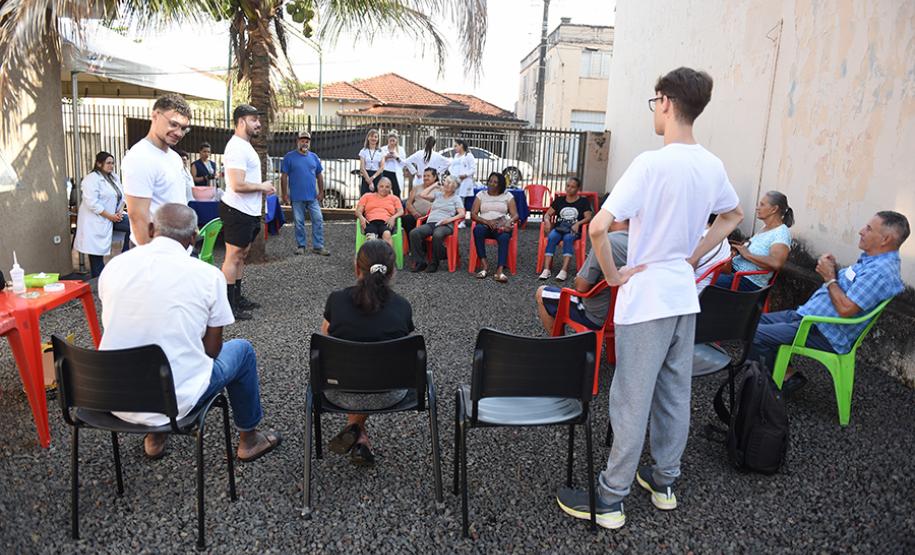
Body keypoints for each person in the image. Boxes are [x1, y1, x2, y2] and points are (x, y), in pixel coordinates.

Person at [556, 67, 743, 529]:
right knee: (675, 394)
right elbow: (733, 215)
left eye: (653, 103)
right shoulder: (712, 164)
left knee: (630, 397)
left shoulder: (650, 163)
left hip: (648, 296)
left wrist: (615, 275)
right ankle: (664, 483)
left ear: (665, 102)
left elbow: (599, 226)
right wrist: (693, 254)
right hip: (682, 294)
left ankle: (611, 498)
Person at [99, 203, 281, 462]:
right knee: (242, 351)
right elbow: (212, 351)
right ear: (194, 237)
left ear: (151, 229)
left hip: (114, 395)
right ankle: (249, 440)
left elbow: (118, 326)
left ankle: (156, 436)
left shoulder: (115, 267)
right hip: (175, 400)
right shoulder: (208, 276)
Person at [749, 211, 908, 394]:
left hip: (824, 330)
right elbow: (849, 290)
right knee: (750, 322)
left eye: (869, 228)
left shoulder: (879, 272)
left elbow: (846, 309)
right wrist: (832, 270)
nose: (861, 231)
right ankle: (787, 376)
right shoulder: (872, 261)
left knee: (755, 334)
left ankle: (763, 393)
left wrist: (829, 277)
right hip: (810, 318)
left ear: (885, 239)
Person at [321, 240, 414, 465]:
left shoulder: (337, 300)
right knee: (375, 370)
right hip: (390, 393)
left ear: (357, 268)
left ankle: (355, 430)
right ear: (392, 272)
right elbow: (406, 355)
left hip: (338, 391)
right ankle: (359, 435)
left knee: (351, 370)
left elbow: (324, 345)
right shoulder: (402, 306)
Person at [220, 104, 276, 321]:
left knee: (241, 255)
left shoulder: (245, 145)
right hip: (237, 210)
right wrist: (262, 186)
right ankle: (228, 306)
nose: (259, 124)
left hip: (247, 211)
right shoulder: (236, 147)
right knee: (233, 257)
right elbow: (237, 184)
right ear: (241, 121)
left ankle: (237, 297)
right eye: (254, 119)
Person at [122, 93, 192, 246]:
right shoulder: (140, 157)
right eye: (173, 124)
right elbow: (137, 217)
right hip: (155, 249)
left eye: (183, 128)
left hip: (177, 247)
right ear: (155, 116)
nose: (179, 133)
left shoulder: (174, 157)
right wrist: (152, 258)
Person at [535, 221, 629, 333]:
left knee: (541, 292)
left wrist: (578, 278)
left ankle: (559, 346)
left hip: (597, 316)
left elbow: (581, 287)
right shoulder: (646, 244)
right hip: (632, 315)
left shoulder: (606, 242)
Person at [715, 191, 794, 290]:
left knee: (705, 282)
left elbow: (776, 263)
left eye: (762, 205)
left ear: (774, 209)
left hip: (747, 281)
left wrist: (747, 254)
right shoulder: (765, 228)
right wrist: (739, 250)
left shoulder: (782, 233)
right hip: (735, 272)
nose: (757, 208)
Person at [74, 151, 130, 278]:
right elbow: (92, 203)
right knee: (96, 255)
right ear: (99, 163)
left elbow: (122, 196)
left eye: (113, 163)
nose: (111, 166)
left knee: (135, 226)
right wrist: (110, 216)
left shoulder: (113, 178)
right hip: (95, 221)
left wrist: (119, 212)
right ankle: (97, 282)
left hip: (113, 217)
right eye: (108, 163)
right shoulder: (91, 179)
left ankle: (125, 258)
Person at [281, 131, 329, 256]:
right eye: (302, 140)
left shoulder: (314, 157)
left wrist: (321, 192)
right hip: (296, 197)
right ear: (297, 141)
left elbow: (319, 175)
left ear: (309, 143)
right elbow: (284, 177)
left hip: (312, 197)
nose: (304, 143)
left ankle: (318, 246)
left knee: (318, 219)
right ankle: (301, 246)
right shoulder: (289, 157)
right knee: (299, 222)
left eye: (307, 141)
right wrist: (284, 194)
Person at [539, 177, 594, 281]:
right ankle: (546, 269)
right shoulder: (559, 200)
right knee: (551, 237)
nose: (569, 189)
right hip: (560, 228)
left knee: (568, 238)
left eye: (573, 187)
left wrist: (578, 223)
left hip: (573, 229)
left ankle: (564, 270)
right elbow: (547, 214)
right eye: (568, 186)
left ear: (578, 189)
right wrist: (546, 221)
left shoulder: (583, 201)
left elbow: (588, 217)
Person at [408, 175, 465, 273]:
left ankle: (434, 263)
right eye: (445, 182)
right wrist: (434, 185)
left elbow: (462, 214)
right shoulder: (438, 195)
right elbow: (422, 195)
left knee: (437, 235)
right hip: (431, 223)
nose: (445, 184)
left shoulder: (456, 198)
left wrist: (449, 220)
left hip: (445, 225)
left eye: (448, 183)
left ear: (453, 187)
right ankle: (421, 262)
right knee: (414, 233)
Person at [470, 172, 519, 283]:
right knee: (477, 230)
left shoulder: (507, 196)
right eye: (490, 181)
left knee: (504, 238)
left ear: (500, 185)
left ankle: (499, 271)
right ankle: (484, 266)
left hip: (501, 226)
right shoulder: (481, 195)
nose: (491, 184)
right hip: (485, 225)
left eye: (495, 182)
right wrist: (486, 221)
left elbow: (515, 215)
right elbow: (473, 214)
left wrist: (509, 221)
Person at [356, 177, 403, 246]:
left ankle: (388, 256)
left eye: (387, 187)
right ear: (377, 186)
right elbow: (358, 211)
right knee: (371, 238)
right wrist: (361, 217)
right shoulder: (367, 196)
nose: (384, 189)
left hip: (386, 223)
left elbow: (401, 211)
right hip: (370, 222)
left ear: (390, 188)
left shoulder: (394, 198)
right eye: (381, 186)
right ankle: (372, 256)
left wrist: (393, 217)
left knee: (387, 234)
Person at [694, 214, 733, 294]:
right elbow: (728, 269)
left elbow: (689, 267)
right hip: (709, 286)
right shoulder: (724, 239)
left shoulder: (700, 237)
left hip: (696, 287)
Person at [402, 167, 439, 236]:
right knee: (406, 219)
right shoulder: (416, 188)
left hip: (430, 218)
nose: (425, 178)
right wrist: (415, 213)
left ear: (434, 177)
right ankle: (412, 244)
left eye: (428, 176)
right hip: (416, 216)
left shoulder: (439, 190)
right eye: (424, 176)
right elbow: (408, 203)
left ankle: (422, 245)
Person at [449, 139, 477, 220]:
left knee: (461, 201)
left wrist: (465, 175)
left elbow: (473, 169)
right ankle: (455, 219)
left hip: (464, 182)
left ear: (461, 145)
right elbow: (452, 167)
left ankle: (461, 221)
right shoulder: (456, 156)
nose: (454, 148)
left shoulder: (468, 156)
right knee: (454, 200)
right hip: (455, 181)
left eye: (456, 146)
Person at [379, 130, 406, 198]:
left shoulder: (401, 149)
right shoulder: (383, 149)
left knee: (396, 191)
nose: (391, 142)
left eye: (393, 140)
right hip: (385, 171)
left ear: (396, 141)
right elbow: (379, 162)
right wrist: (386, 157)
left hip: (396, 172)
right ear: (388, 140)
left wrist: (396, 157)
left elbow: (404, 163)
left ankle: (397, 207)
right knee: (384, 191)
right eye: (390, 140)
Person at [358, 129, 384, 195]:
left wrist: (372, 178)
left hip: (377, 176)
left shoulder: (381, 152)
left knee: (377, 197)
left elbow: (382, 167)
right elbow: (362, 167)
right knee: (365, 196)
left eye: (375, 137)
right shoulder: (363, 151)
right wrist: (369, 181)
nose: (373, 138)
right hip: (366, 175)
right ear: (368, 138)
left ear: (378, 139)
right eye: (372, 136)